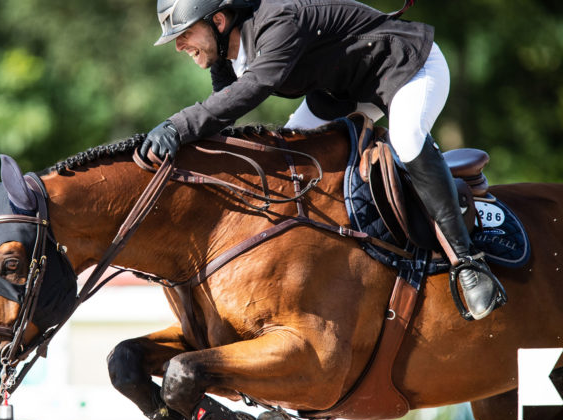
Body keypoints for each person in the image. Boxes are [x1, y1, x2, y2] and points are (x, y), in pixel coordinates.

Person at [140, 0, 504, 322]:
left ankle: (469, 262)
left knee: (406, 139)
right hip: (344, 91)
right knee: (289, 154)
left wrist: (176, 127)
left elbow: (248, 94)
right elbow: (222, 111)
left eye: (185, 33)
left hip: (407, 66)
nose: (179, 45)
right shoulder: (228, 54)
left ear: (218, 21)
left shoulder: (279, 23)